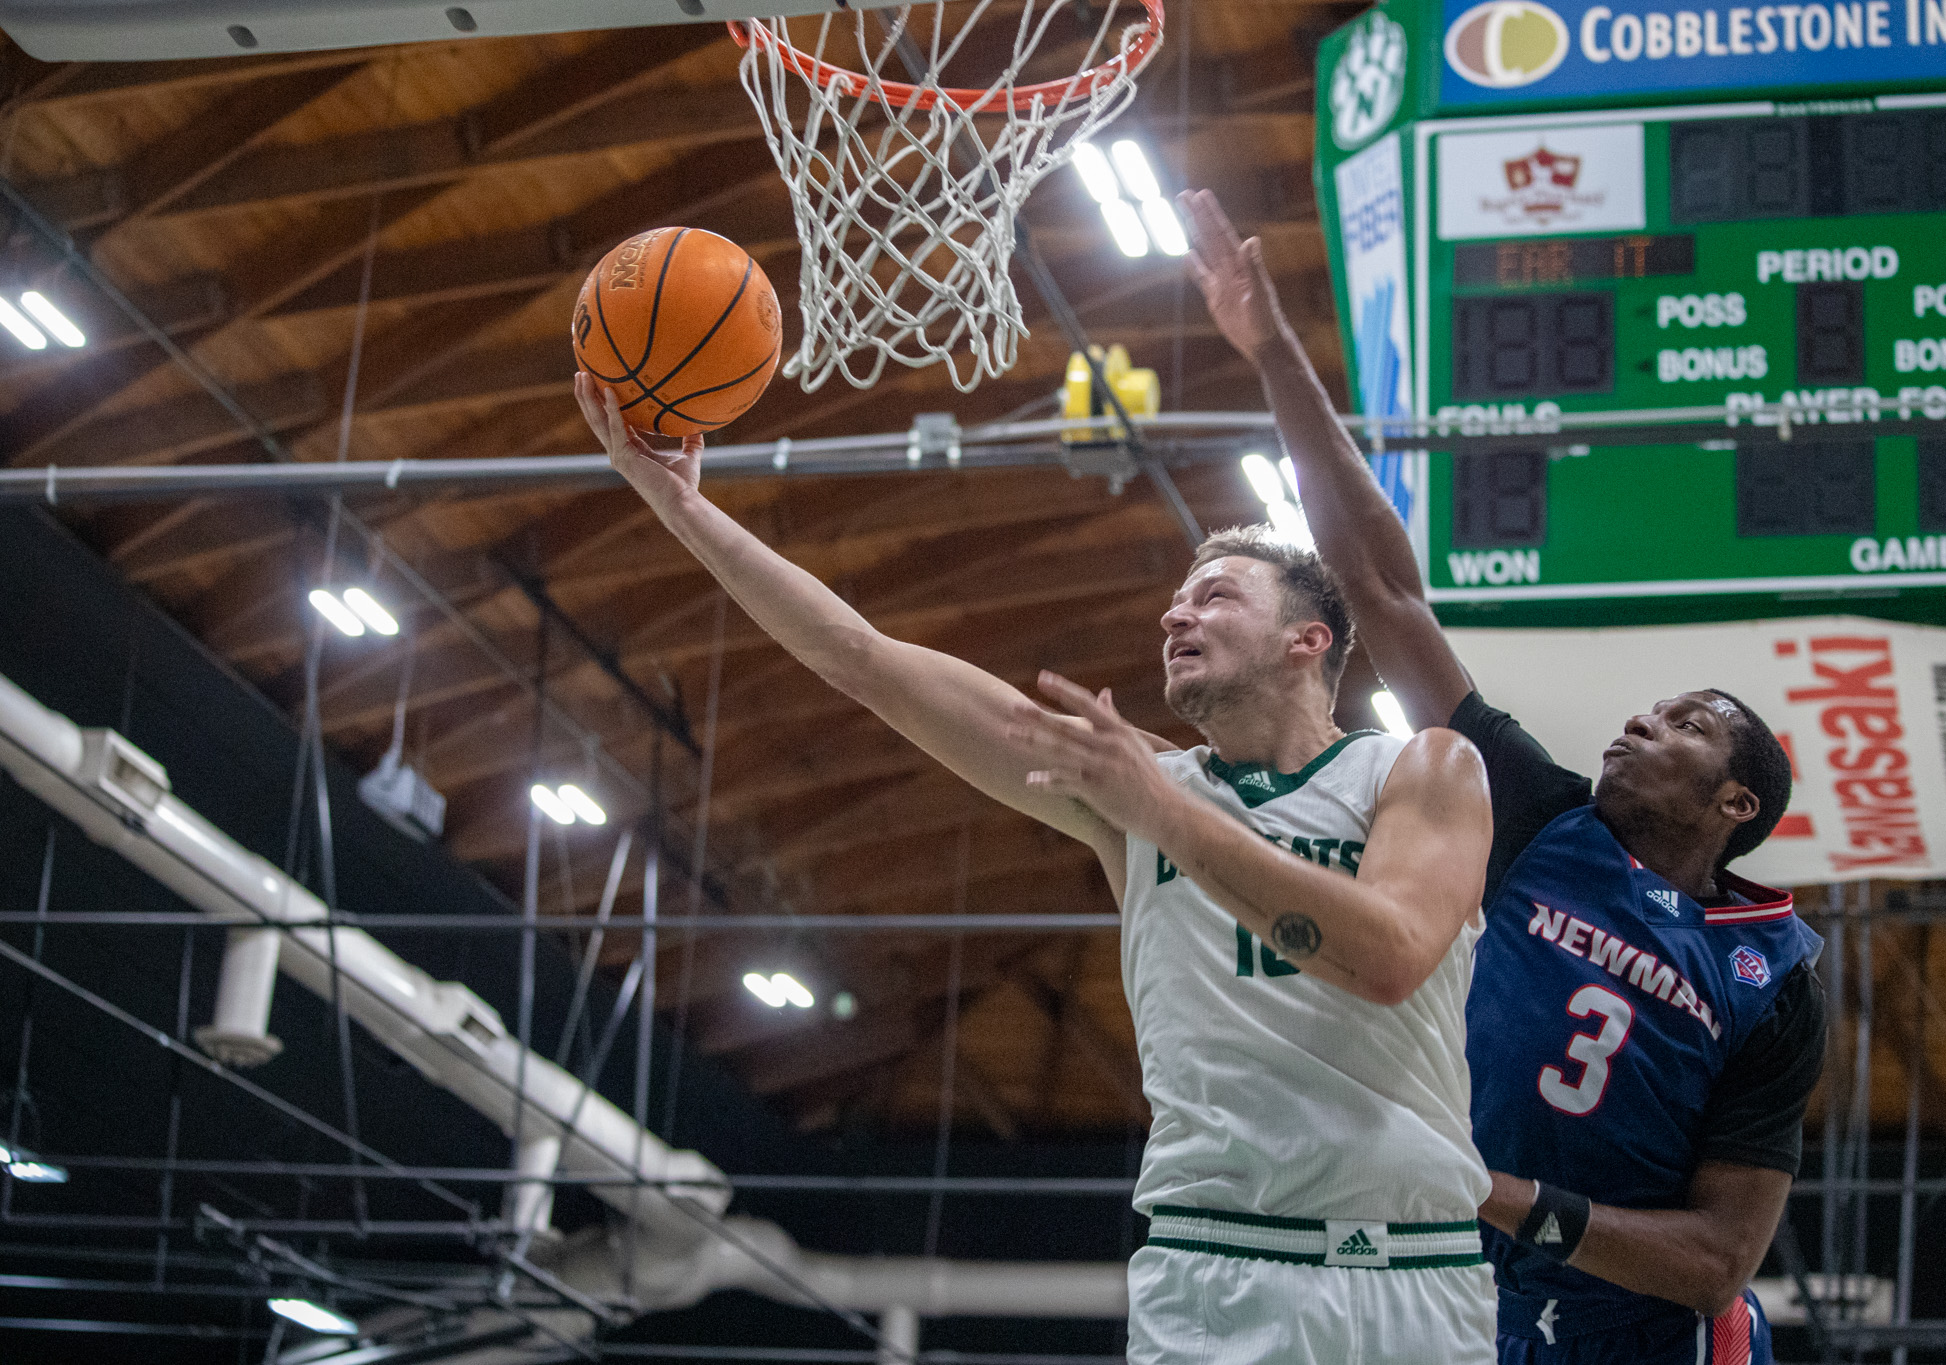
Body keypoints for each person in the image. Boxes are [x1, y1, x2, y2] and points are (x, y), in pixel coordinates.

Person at [574, 370, 1502, 1363]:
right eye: (1172, 603)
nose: (1171, 619)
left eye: (1213, 597)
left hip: (1417, 1272)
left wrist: (1161, 814)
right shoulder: (1129, 790)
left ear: (1303, 641)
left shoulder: (1418, 769)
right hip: (1217, 1270)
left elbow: (1390, 956)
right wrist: (677, 504)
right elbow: (863, 659)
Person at [1179, 187, 1826, 1365]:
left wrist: (1497, 1191)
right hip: (1448, 1296)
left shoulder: (1771, 978)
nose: (1642, 717)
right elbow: (1383, 591)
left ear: (1735, 805)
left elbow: (1715, 1263)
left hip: (1628, 1333)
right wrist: (1274, 354)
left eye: (1686, 722)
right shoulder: (1539, 814)